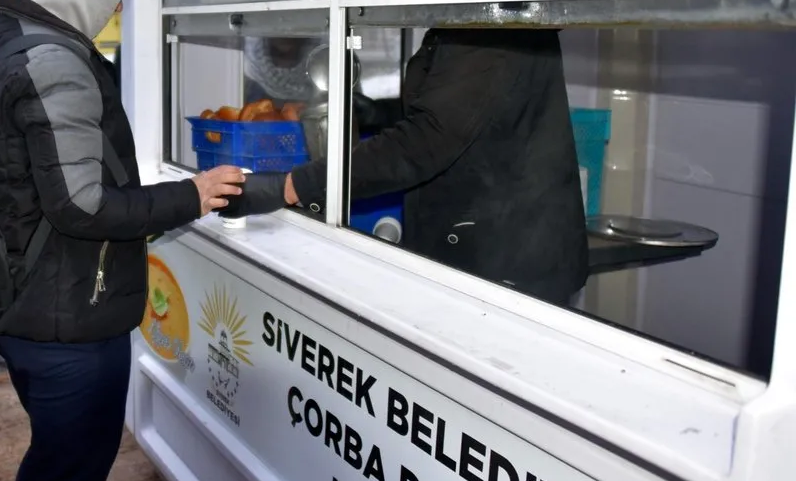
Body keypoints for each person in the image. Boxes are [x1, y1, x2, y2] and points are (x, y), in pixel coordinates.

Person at [0, 0, 245, 481]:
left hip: (22, 299)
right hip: (64, 317)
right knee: (72, 466)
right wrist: (191, 195)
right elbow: (81, 203)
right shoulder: (53, 60)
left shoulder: (1, 38)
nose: (117, 3)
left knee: (59, 455)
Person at [223, 27, 589, 306]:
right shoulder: (464, 20)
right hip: (488, 247)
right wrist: (379, 113)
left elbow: (430, 137)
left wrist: (293, 185)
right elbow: (457, 107)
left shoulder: (489, 20)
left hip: (508, 263)